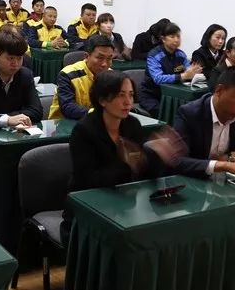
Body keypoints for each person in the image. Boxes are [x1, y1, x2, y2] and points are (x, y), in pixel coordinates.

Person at [62, 71, 179, 242]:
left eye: (131, 95)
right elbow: (87, 181)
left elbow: (143, 172)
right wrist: (128, 164)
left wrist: (157, 156)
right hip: (88, 210)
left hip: (127, 204)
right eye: (120, 95)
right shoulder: (84, 131)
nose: (128, 102)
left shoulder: (132, 124)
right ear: (102, 100)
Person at [169, 66, 235, 181]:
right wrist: (223, 165)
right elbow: (176, 161)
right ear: (219, 90)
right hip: (192, 181)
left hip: (223, 184)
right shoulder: (190, 113)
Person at [139, 22, 201, 116]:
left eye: (178, 36)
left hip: (172, 95)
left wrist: (193, 72)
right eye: (172, 36)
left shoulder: (181, 54)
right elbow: (158, 78)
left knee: (189, 111)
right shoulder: (154, 55)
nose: (176, 40)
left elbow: (188, 69)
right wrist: (182, 76)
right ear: (163, 39)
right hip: (152, 96)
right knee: (165, 113)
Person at [48, 34, 115, 120]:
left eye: (109, 59)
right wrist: (98, 113)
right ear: (86, 56)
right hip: (64, 123)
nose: (104, 64)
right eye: (100, 58)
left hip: (97, 122)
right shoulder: (68, 74)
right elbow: (67, 107)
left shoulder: (111, 75)